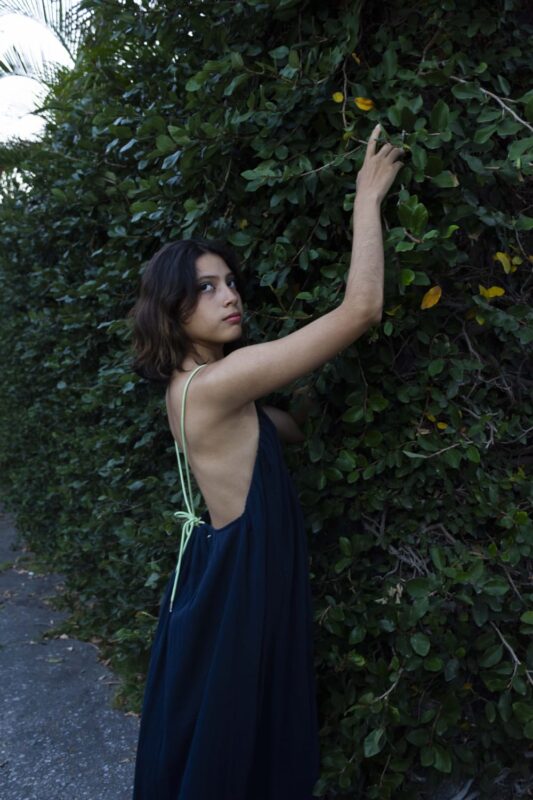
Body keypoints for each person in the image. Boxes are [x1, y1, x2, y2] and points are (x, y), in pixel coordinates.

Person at [129, 123, 404, 800]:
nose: (229, 296)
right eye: (205, 288)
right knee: (242, 739)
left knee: (231, 731)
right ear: (171, 308)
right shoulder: (218, 384)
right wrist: (366, 200)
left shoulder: (199, 390)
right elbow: (362, 309)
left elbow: (287, 430)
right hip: (242, 584)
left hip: (232, 575)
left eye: (230, 282)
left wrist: (306, 379)